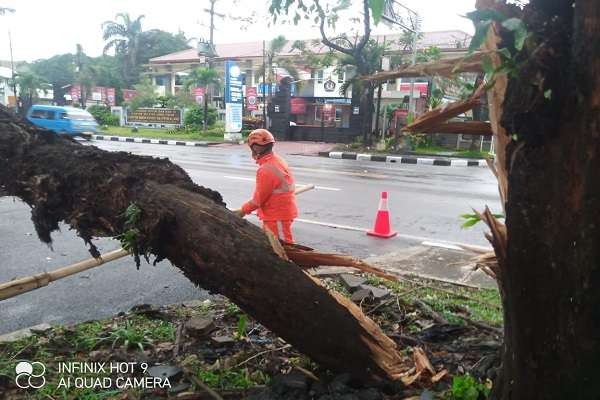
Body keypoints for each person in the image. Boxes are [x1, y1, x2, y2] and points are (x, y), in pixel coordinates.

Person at [235, 129, 298, 243]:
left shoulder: (266, 169)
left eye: (256, 146)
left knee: (283, 248)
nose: (255, 148)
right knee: (272, 247)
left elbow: (258, 200)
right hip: (276, 213)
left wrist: (243, 210)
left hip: (277, 215)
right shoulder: (276, 160)